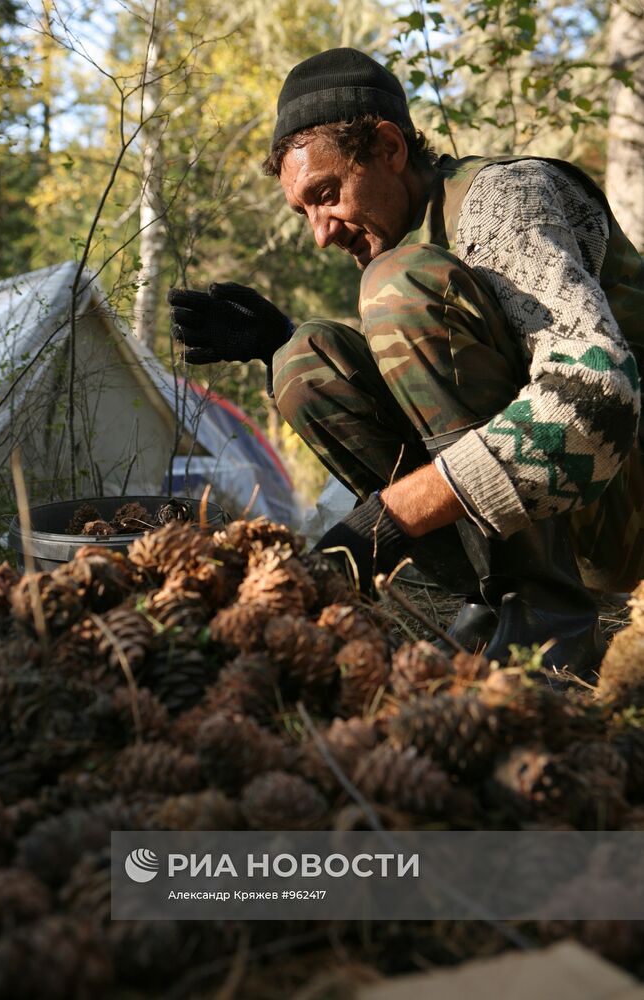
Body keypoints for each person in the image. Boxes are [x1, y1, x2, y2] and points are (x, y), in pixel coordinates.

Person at [169, 48, 644, 677]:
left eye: (326, 194)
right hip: (570, 507)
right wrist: (277, 343)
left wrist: (387, 521)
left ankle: (546, 617)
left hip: (623, 492)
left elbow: (594, 397)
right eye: (303, 211)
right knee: (305, 359)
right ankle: (497, 594)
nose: (320, 232)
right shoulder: (405, 244)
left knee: (396, 285)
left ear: (390, 148)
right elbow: (445, 397)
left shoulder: (503, 200)